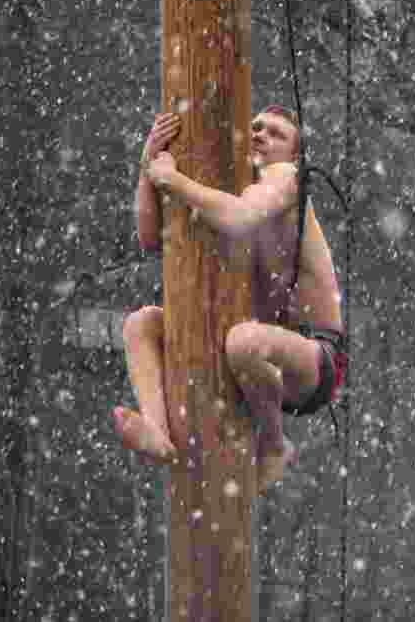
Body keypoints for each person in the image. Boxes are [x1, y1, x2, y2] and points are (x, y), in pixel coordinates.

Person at [112, 106, 347, 492]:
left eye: (276, 134)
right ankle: (157, 430)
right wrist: (148, 164)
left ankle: (274, 445)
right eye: (255, 127)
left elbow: (240, 216)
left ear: (295, 156)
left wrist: (172, 179)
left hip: (313, 354)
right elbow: (151, 238)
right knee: (142, 324)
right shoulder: (227, 186)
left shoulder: (286, 178)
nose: (260, 135)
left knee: (243, 341)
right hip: (253, 350)